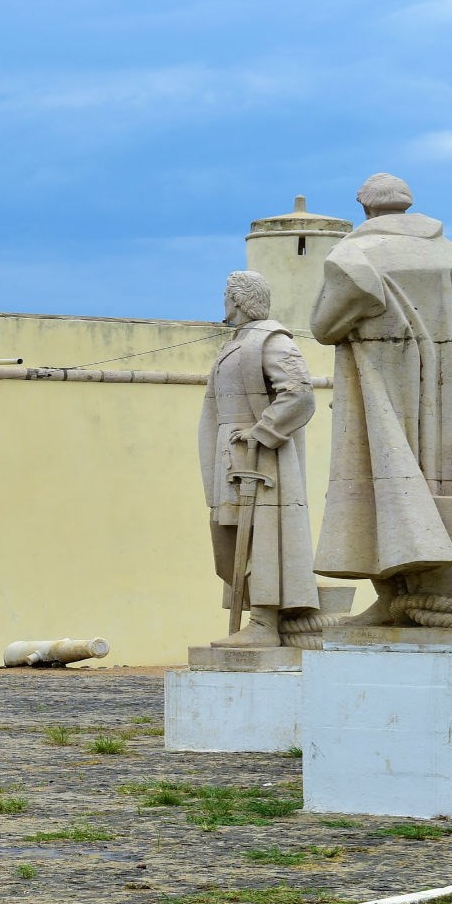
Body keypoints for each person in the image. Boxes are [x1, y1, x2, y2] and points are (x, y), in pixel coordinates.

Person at [310, 173, 452, 627]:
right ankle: (406, 600)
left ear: (366, 210)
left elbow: (324, 326)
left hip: (384, 391)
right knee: (445, 486)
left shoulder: (355, 255)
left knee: (387, 490)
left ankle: (396, 596)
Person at [199, 271, 319, 646]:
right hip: (231, 455)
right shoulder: (237, 342)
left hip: (260, 460)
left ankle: (265, 623)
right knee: (233, 540)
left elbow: (299, 392)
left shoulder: (271, 340)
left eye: (226, 294)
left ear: (238, 299)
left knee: (263, 536)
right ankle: (258, 619)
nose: (223, 301)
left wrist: (262, 431)